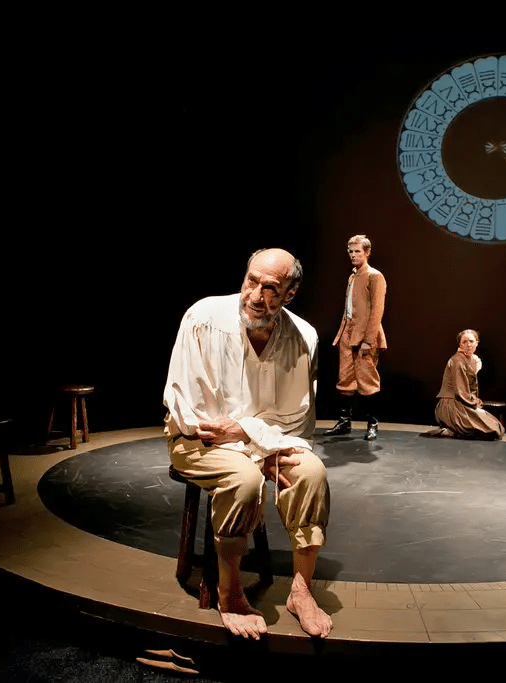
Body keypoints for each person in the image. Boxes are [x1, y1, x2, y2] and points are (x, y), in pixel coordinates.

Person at [162, 248, 333, 640]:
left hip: (258, 440)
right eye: (251, 281)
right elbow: (191, 412)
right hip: (197, 439)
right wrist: (253, 437)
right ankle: (230, 589)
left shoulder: (302, 337)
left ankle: (301, 590)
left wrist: (246, 433)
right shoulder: (203, 318)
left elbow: (297, 423)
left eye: (270, 288)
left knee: (311, 474)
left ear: (290, 294)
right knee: (243, 481)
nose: (255, 295)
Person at [324, 235, 387, 440]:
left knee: (367, 381)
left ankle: (373, 424)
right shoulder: (352, 276)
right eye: (350, 251)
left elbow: (377, 311)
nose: (353, 255)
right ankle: (344, 422)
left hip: (365, 335)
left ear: (367, 252)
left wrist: (369, 340)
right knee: (345, 380)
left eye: (357, 251)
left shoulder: (374, 276)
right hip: (347, 332)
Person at [429, 329, 505, 439]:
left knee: (496, 427)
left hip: (461, 402)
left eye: (471, 341)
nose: (468, 345)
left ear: (476, 343)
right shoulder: (457, 361)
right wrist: (474, 403)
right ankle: (453, 429)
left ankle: (453, 429)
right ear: (460, 344)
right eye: (464, 342)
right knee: (492, 429)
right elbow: (460, 391)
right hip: (450, 405)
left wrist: (474, 402)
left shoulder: (473, 360)